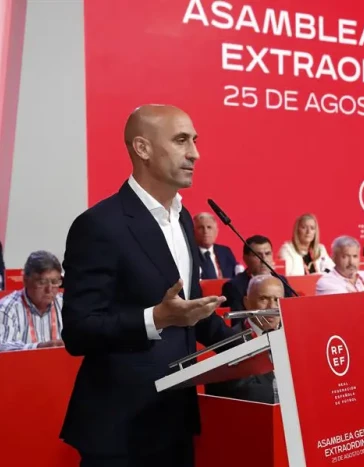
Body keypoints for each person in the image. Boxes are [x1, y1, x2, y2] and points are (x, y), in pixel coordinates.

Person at [59, 105, 238, 467]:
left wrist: (251, 340)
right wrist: (154, 318)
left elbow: (189, 308)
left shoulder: (183, 218)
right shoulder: (99, 225)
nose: (195, 153)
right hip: (120, 430)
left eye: (195, 141)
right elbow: (78, 331)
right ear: (142, 148)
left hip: (175, 419)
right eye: (181, 140)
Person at [206, 275, 282, 404]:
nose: (272, 306)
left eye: (277, 299)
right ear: (247, 302)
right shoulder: (230, 341)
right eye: (263, 299)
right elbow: (244, 392)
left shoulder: (293, 337)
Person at [221, 235, 294, 327]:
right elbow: (237, 322)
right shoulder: (233, 286)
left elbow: (290, 315)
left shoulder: (282, 281)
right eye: (257, 255)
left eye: (267, 254)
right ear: (245, 258)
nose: (264, 260)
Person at [0, 251, 64, 352]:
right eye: (42, 282)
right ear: (26, 280)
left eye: (55, 282)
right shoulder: (7, 308)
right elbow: (2, 347)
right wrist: (38, 348)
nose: (49, 289)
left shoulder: (65, 304)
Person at [193, 212, 238, 279]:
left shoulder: (225, 252)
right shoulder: (189, 254)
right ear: (193, 231)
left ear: (216, 231)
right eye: (201, 228)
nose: (205, 231)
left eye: (209, 227)